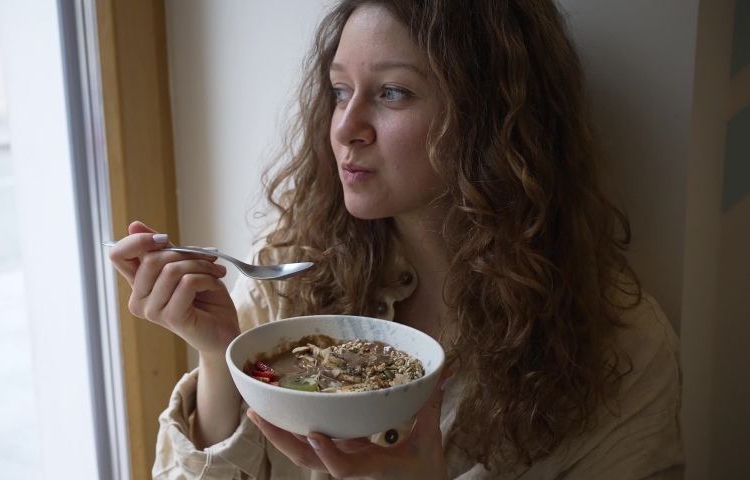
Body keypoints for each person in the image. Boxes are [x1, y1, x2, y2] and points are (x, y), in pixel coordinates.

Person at [108, 0, 684, 478]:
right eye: (339, 91)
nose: (344, 127)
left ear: (495, 119)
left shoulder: (620, 352)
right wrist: (217, 357)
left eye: (392, 94)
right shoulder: (291, 276)